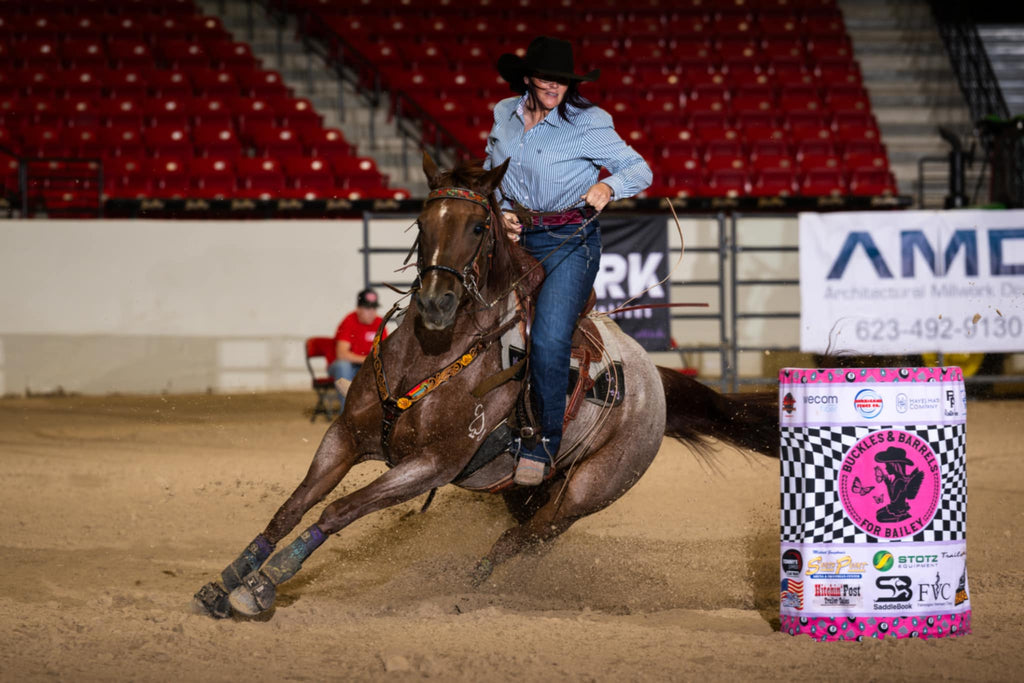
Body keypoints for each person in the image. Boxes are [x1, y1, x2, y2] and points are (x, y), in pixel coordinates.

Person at [485, 36, 653, 485]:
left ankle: (544, 442)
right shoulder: (504, 113)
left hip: (569, 239)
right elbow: (491, 170)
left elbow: (639, 169)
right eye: (547, 78)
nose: (555, 86)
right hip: (515, 238)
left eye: (563, 79)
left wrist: (609, 186)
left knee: (549, 337)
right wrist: (500, 211)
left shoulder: (589, 122)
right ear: (527, 79)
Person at [328, 288, 385, 409]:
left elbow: (384, 351)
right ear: (359, 309)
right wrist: (368, 359)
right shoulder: (349, 321)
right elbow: (342, 354)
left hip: (365, 366)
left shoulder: (379, 322)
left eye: (374, 308)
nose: (372, 312)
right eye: (367, 308)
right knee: (343, 365)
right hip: (348, 367)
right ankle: (347, 412)